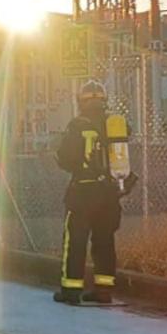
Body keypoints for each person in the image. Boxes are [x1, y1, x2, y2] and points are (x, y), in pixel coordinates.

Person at [54, 80, 136, 305]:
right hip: (110, 193)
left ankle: (71, 291)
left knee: (76, 241)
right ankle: (103, 291)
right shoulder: (115, 125)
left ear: (81, 101)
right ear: (104, 100)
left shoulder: (77, 125)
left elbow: (65, 158)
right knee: (105, 241)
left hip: (82, 193)